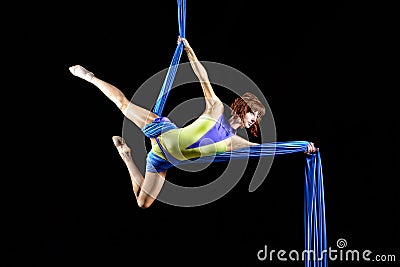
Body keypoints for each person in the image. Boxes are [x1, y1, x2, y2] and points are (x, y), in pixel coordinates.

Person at [69, 37, 318, 209]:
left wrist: (300, 147)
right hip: (162, 131)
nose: (254, 120)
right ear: (244, 107)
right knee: (123, 103)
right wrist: (187, 49)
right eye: (254, 114)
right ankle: (89, 76)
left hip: (163, 159)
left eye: (257, 119)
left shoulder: (235, 141)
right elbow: (203, 76)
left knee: (142, 203)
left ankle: (125, 155)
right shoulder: (217, 107)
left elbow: (264, 151)